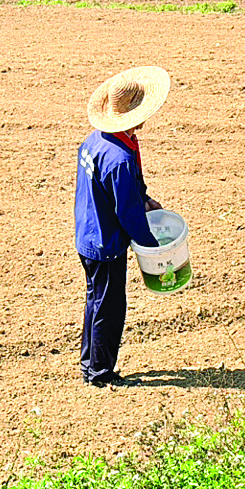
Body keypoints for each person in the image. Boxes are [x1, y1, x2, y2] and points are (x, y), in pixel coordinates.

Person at [75, 65, 170, 387]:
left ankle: (90, 363)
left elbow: (122, 192)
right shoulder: (120, 158)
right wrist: (153, 246)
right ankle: (99, 373)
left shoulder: (96, 141)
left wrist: (144, 198)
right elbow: (127, 212)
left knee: (96, 300)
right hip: (106, 242)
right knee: (110, 308)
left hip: (88, 231)